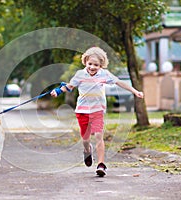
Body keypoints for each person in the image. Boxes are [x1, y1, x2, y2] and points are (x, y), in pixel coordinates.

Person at [51, 47, 144, 177]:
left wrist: (135, 91)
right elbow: (69, 86)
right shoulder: (80, 75)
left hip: (98, 110)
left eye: (96, 65)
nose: (92, 67)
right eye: (90, 64)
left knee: (99, 136)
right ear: (85, 62)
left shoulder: (104, 74)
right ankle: (87, 150)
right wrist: (58, 91)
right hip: (82, 111)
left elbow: (119, 82)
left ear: (101, 65)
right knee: (85, 139)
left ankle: (101, 164)